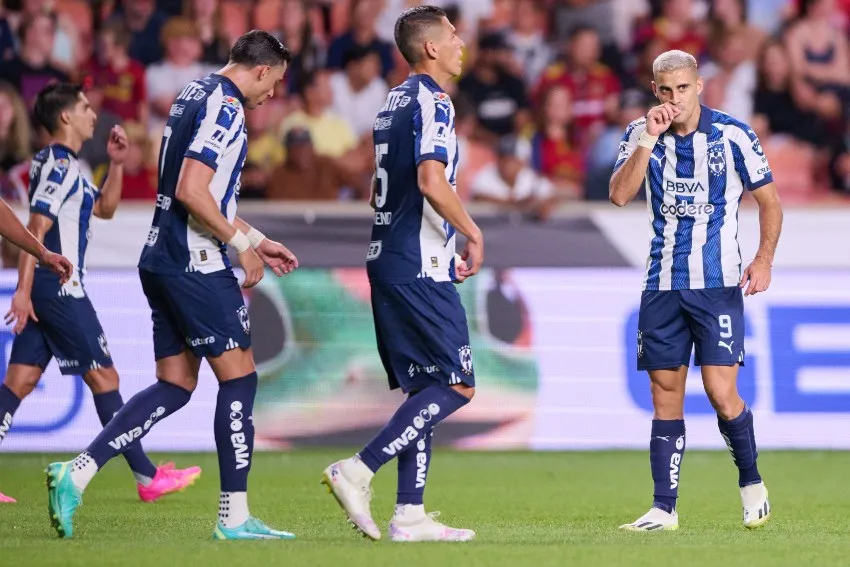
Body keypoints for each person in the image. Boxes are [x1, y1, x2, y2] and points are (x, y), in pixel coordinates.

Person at [44, 31, 299, 541]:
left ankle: (79, 470)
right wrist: (237, 245)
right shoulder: (227, 108)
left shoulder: (192, 93)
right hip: (195, 262)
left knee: (176, 385)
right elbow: (191, 191)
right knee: (240, 379)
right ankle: (234, 516)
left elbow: (203, 192)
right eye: (276, 83)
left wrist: (255, 236)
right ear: (264, 70)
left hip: (160, 256)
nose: (273, 95)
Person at [321, 6, 482, 543]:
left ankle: (409, 515)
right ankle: (359, 469)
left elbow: (377, 187)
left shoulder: (393, 102)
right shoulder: (434, 100)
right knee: (456, 385)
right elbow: (432, 179)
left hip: (389, 254)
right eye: (454, 36)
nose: (461, 43)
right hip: (417, 263)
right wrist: (471, 231)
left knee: (425, 388)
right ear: (431, 48)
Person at [2, 83, 201, 505]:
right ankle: (147, 477)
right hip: (59, 288)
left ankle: (146, 476)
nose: (95, 114)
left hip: (49, 288)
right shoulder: (55, 164)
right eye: (86, 108)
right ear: (66, 118)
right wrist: (23, 291)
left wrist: (116, 164)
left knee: (19, 381)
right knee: (105, 377)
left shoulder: (71, 166)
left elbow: (105, 210)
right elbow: (34, 230)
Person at [609, 50, 783, 531]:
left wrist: (763, 259)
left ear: (699, 86)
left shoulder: (733, 134)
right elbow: (620, 194)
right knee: (665, 392)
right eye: (665, 91)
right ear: (654, 90)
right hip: (662, 283)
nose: (674, 99)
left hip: (718, 284)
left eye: (682, 89)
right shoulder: (640, 134)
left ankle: (752, 486)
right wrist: (648, 136)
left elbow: (770, 202)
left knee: (720, 391)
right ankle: (663, 509)